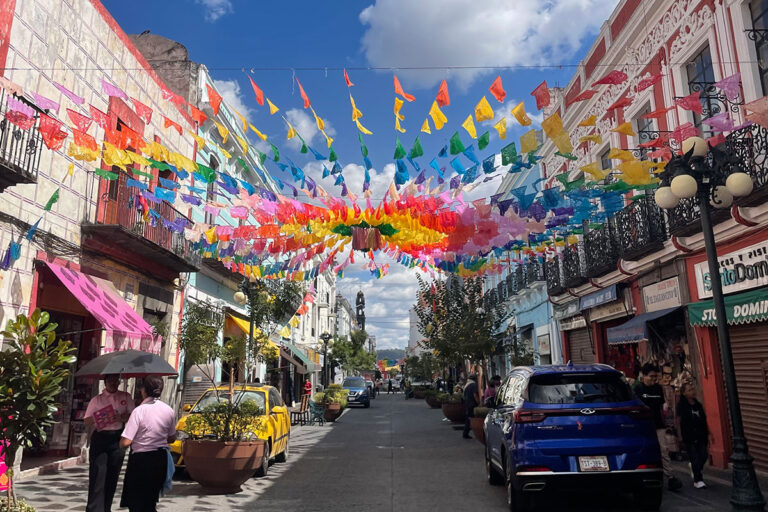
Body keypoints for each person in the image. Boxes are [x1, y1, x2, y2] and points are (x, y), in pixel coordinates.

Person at [119, 376, 176, 512]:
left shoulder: (139, 411)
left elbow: (126, 442)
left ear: (144, 390)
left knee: (136, 502)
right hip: (160, 459)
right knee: (150, 500)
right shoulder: (168, 410)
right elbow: (172, 438)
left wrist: (120, 443)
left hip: (141, 461)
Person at [84, 374, 134, 512]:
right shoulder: (97, 400)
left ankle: (106, 508)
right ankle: (94, 509)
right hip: (101, 437)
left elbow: (133, 415)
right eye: (110, 380)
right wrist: (100, 417)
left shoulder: (125, 397)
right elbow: (86, 420)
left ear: (119, 382)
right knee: (97, 474)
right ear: (105, 382)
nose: (113, 383)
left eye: (115, 380)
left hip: (117, 438)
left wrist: (122, 417)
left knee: (113, 474)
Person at [634, 363, 682, 491]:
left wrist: (666, 417)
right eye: (651, 376)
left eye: (655, 376)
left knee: (663, 450)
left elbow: (662, 407)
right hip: (644, 425)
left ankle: (671, 477)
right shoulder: (638, 389)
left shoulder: (658, 389)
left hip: (658, 424)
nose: (654, 379)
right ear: (644, 376)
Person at [676, 382, 711, 489]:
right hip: (689, 434)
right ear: (684, 393)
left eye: (693, 389)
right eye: (689, 390)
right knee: (694, 457)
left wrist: (709, 433)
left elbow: (704, 420)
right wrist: (679, 435)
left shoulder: (698, 404)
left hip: (701, 434)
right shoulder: (681, 406)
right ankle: (698, 480)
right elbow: (678, 420)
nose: (692, 391)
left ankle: (695, 469)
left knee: (703, 455)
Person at [462, 373, 480, 439]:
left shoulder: (467, 385)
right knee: (470, 419)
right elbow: (475, 395)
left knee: (468, 418)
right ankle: (465, 433)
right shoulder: (473, 385)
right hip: (472, 404)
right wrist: (479, 402)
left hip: (467, 403)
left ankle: (465, 433)